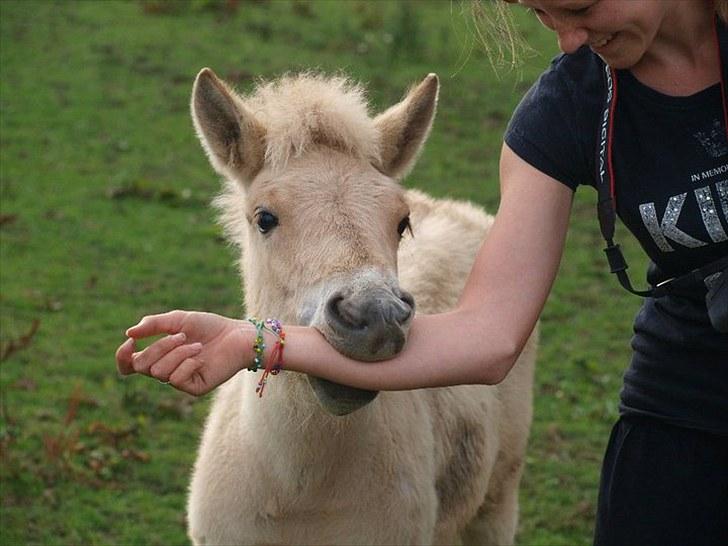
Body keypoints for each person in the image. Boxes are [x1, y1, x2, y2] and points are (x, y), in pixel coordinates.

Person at [116, 1, 728, 544]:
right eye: (542, 16)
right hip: (683, 394)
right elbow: (489, 334)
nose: (568, 41)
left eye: (581, 6)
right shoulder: (568, 107)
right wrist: (256, 341)